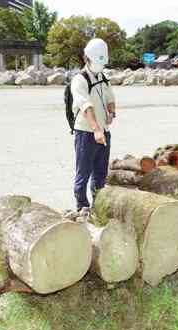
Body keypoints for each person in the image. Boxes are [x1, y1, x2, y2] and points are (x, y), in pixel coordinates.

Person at [71, 38, 116, 214]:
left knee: (100, 174)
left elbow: (111, 98)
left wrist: (112, 112)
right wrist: (96, 129)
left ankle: (98, 206)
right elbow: (85, 106)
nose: (100, 65)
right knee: (83, 173)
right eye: (97, 61)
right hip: (86, 133)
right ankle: (81, 207)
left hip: (104, 131)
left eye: (102, 62)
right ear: (86, 58)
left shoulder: (103, 77)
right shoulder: (79, 79)